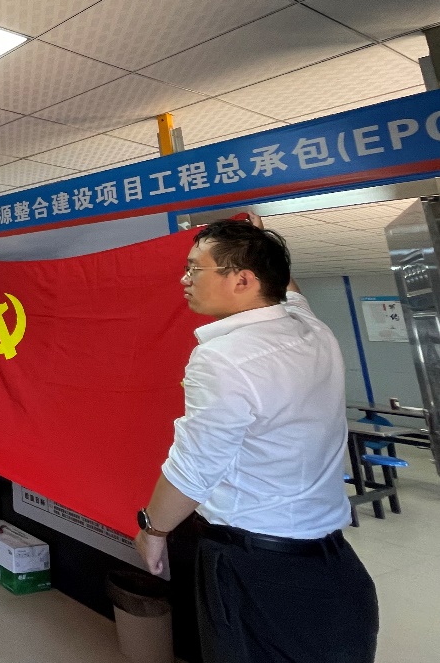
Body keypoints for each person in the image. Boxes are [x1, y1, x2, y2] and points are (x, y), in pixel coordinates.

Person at [135, 217, 378, 662]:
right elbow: (288, 291)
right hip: (334, 564)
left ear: (243, 280)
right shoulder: (313, 332)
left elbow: (194, 468)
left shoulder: (222, 358)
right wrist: (257, 239)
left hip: (255, 571)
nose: (184, 279)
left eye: (194, 268)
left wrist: (153, 530)